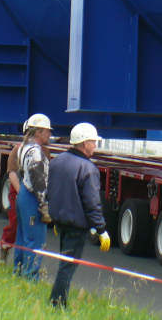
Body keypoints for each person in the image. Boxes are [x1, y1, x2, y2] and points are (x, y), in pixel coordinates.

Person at [47, 122, 110, 308]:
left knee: (64, 262)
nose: (95, 146)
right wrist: (101, 230)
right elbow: (92, 203)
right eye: (93, 142)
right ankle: (57, 304)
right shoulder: (87, 168)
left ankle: (58, 301)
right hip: (76, 225)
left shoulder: (57, 162)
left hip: (60, 222)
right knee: (67, 266)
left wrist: (56, 218)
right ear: (84, 143)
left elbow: (52, 192)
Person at [14, 113, 52, 279]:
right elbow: (39, 181)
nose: (49, 134)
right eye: (47, 131)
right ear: (38, 132)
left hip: (24, 193)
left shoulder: (24, 148)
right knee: (35, 240)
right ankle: (30, 277)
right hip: (32, 197)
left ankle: (18, 271)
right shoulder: (36, 153)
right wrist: (44, 204)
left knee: (22, 237)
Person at [0, 119, 28, 262]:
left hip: (36, 195)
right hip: (19, 192)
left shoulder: (43, 151)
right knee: (15, 223)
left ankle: (28, 261)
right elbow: (12, 173)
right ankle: (5, 247)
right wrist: (22, 194)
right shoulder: (17, 150)